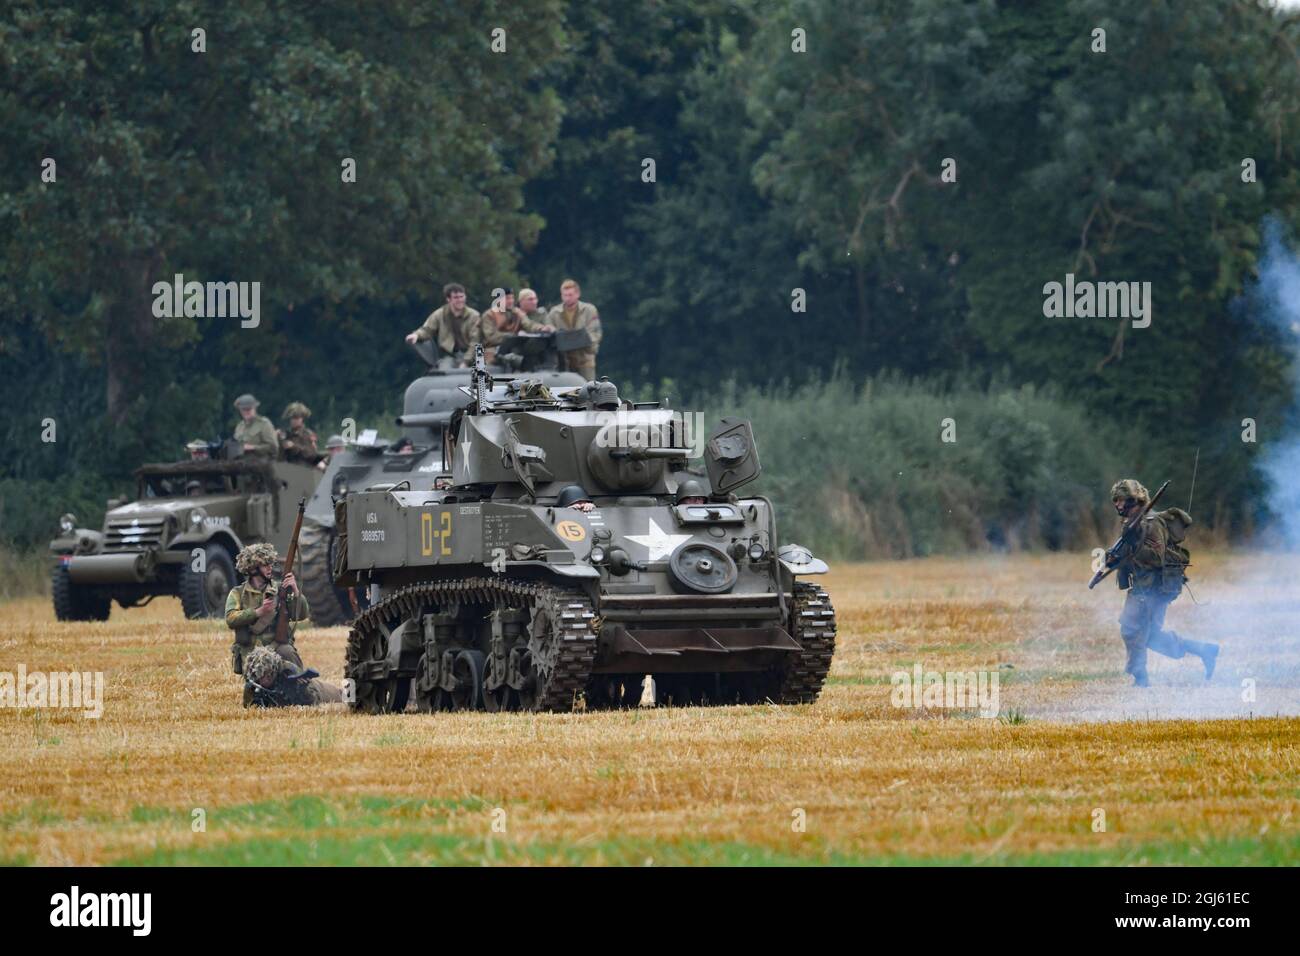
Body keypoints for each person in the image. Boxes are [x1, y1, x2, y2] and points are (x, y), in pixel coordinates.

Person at [1108, 479, 1219, 687]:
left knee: (1132, 631)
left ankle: (1141, 679)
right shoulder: (1133, 524)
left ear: (1134, 500)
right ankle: (1203, 649)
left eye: (1121, 500)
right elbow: (1130, 556)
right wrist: (1115, 559)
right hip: (1142, 586)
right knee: (1149, 636)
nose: (1117, 505)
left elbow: (1156, 558)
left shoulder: (1152, 523)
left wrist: (1132, 546)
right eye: (1115, 500)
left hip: (1153, 589)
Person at [224, 543, 310, 677]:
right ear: (252, 569)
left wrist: (295, 591)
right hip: (251, 651)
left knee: (289, 654)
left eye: (271, 563)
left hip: (277, 647)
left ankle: (303, 689)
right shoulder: (238, 593)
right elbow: (230, 618)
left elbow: (302, 614)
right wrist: (259, 612)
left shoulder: (280, 590)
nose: (270, 568)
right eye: (265, 565)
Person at [404, 282, 482, 366]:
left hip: (472, 356)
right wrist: (416, 335)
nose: (460, 300)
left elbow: (476, 341)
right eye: (456, 297)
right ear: (448, 299)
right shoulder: (440, 314)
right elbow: (427, 329)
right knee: (444, 369)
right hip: (449, 356)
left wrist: (466, 362)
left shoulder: (474, 316)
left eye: (462, 296)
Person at [242, 645, 343, 708]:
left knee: (341, 695)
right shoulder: (253, 681)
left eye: (266, 675)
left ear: (272, 671)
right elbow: (247, 706)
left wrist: (303, 690)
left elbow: (313, 700)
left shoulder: (288, 670)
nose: (262, 680)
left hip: (321, 691)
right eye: (258, 676)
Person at [544, 279, 602, 380]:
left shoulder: (589, 310)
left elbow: (595, 332)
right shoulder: (554, 313)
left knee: (587, 390)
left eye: (570, 295)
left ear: (577, 294)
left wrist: (576, 339)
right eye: (564, 295)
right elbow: (550, 333)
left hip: (585, 359)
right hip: (563, 361)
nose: (567, 298)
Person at [480, 287, 551, 363]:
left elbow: (529, 324)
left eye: (512, 298)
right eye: (507, 298)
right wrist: (514, 336)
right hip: (492, 349)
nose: (510, 301)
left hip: (512, 348)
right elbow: (491, 337)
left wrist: (540, 328)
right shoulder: (489, 315)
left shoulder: (517, 312)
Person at [232, 394, 278, 459]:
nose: (246, 412)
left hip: (261, 466)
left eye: (249, 409)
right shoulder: (239, 426)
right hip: (241, 465)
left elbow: (273, 448)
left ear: (255, 408)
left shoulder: (264, 424)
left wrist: (253, 447)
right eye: (243, 409)